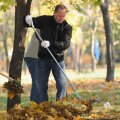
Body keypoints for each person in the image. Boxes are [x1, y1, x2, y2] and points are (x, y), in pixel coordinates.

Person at [24, 4, 72, 103]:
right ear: (54, 13)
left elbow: (66, 44)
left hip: (58, 60)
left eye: (63, 16)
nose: (61, 18)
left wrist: (51, 43)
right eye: (59, 15)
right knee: (41, 86)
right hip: (43, 59)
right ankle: (43, 106)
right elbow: (31, 23)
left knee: (62, 84)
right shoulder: (45, 20)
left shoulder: (67, 27)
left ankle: (61, 106)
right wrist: (27, 20)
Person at [24, 30, 40, 102]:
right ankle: (34, 104)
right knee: (37, 80)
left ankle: (36, 103)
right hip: (33, 57)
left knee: (37, 80)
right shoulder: (44, 26)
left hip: (34, 57)